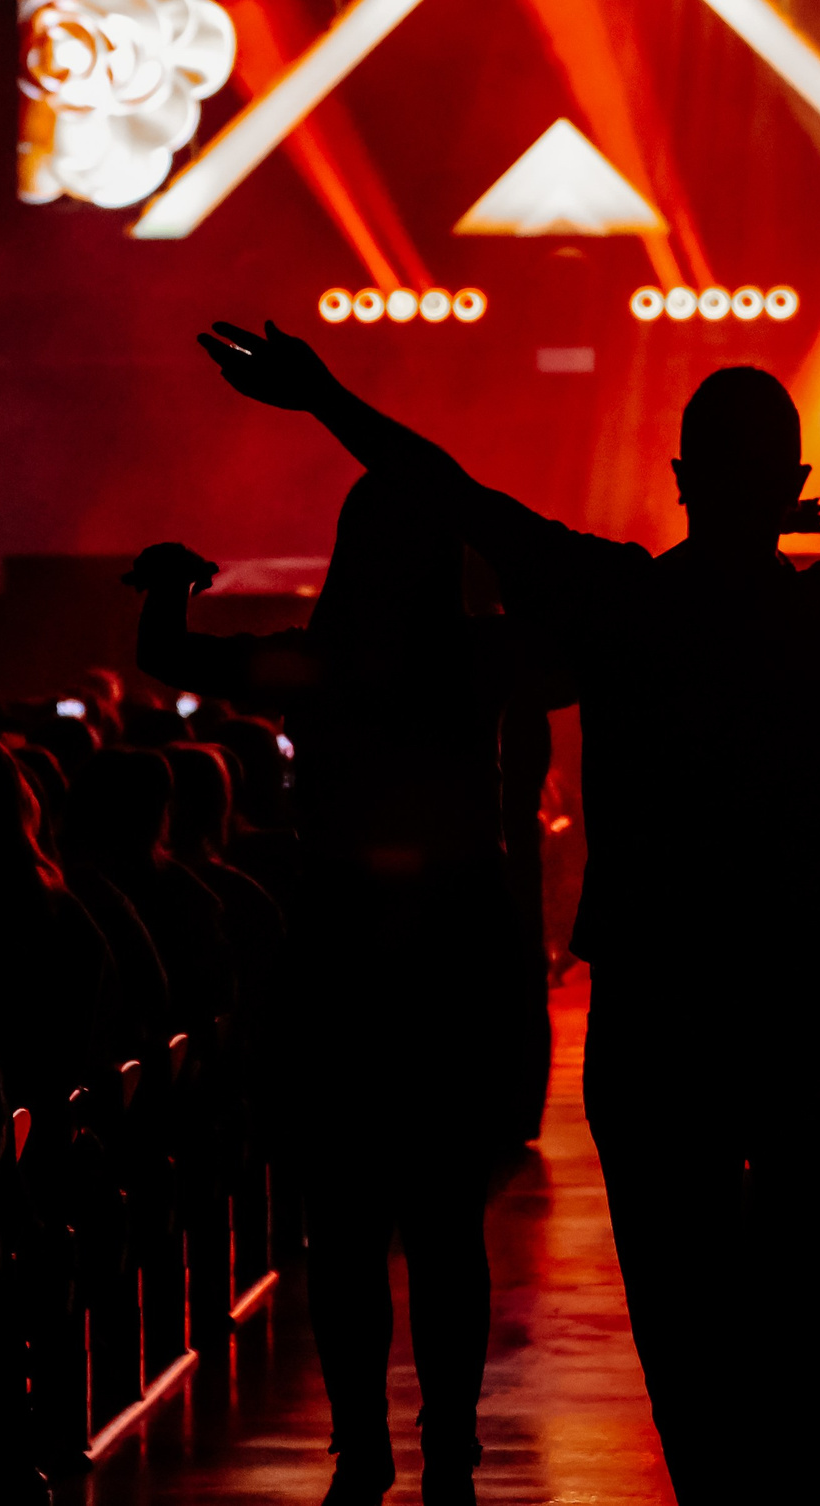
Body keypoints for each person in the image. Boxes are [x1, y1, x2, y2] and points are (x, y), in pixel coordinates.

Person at [194, 263, 820, 1504]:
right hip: (802, 995)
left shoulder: (620, 603)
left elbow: (453, 495)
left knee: (682, 1323)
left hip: (657, 1011)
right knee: (815, 1302)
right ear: (794, 487)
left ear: (682, 479)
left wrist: (324, 396)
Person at [126, 475, 528, 1505]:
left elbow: (171, 655)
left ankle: (362, 1448)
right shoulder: (476, 657)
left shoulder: (322, 660)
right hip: (453, 954)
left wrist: (169, 586)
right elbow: (587, 648)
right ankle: (450, 1449)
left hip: (340, 948)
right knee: (446, 1224)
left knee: (345, 1221)